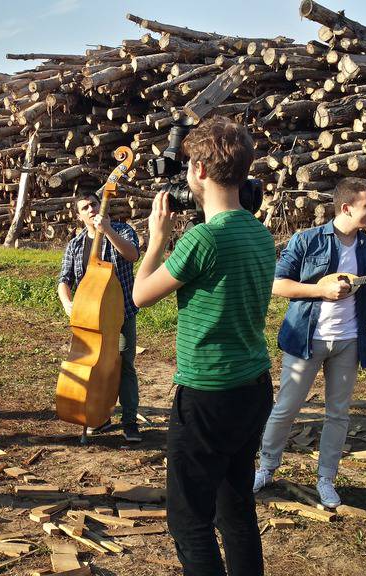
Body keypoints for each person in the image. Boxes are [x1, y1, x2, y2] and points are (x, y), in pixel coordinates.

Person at [132, 116, 275, 576]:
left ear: (197, 171)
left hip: (206, 393)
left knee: (189, 520)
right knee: (235, 508)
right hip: (253, 386)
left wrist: (156, 240)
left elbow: (140, 295)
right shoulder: (259, 233)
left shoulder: (203, 239)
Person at [253, 177, 366, 508]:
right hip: (307, 338)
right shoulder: (307, 240)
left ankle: (326, 478)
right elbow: (276, 285)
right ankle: (266, 468)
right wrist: (320, 291)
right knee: (286, 408)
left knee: (338, 413)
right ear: (347, 207)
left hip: (349, 341)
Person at [57, 192, 142, 441]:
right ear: (79, 215)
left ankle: (129, 422)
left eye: (94, 204)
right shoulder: (76, 244)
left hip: (121, 314)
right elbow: (64, 280)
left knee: (124, 364)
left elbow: (132, 255)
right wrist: (67, 303)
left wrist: (108, 232)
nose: (91, 209)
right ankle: (99, 416)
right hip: (91, 319)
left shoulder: (122, 230)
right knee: (96, 367)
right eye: (85, 207)